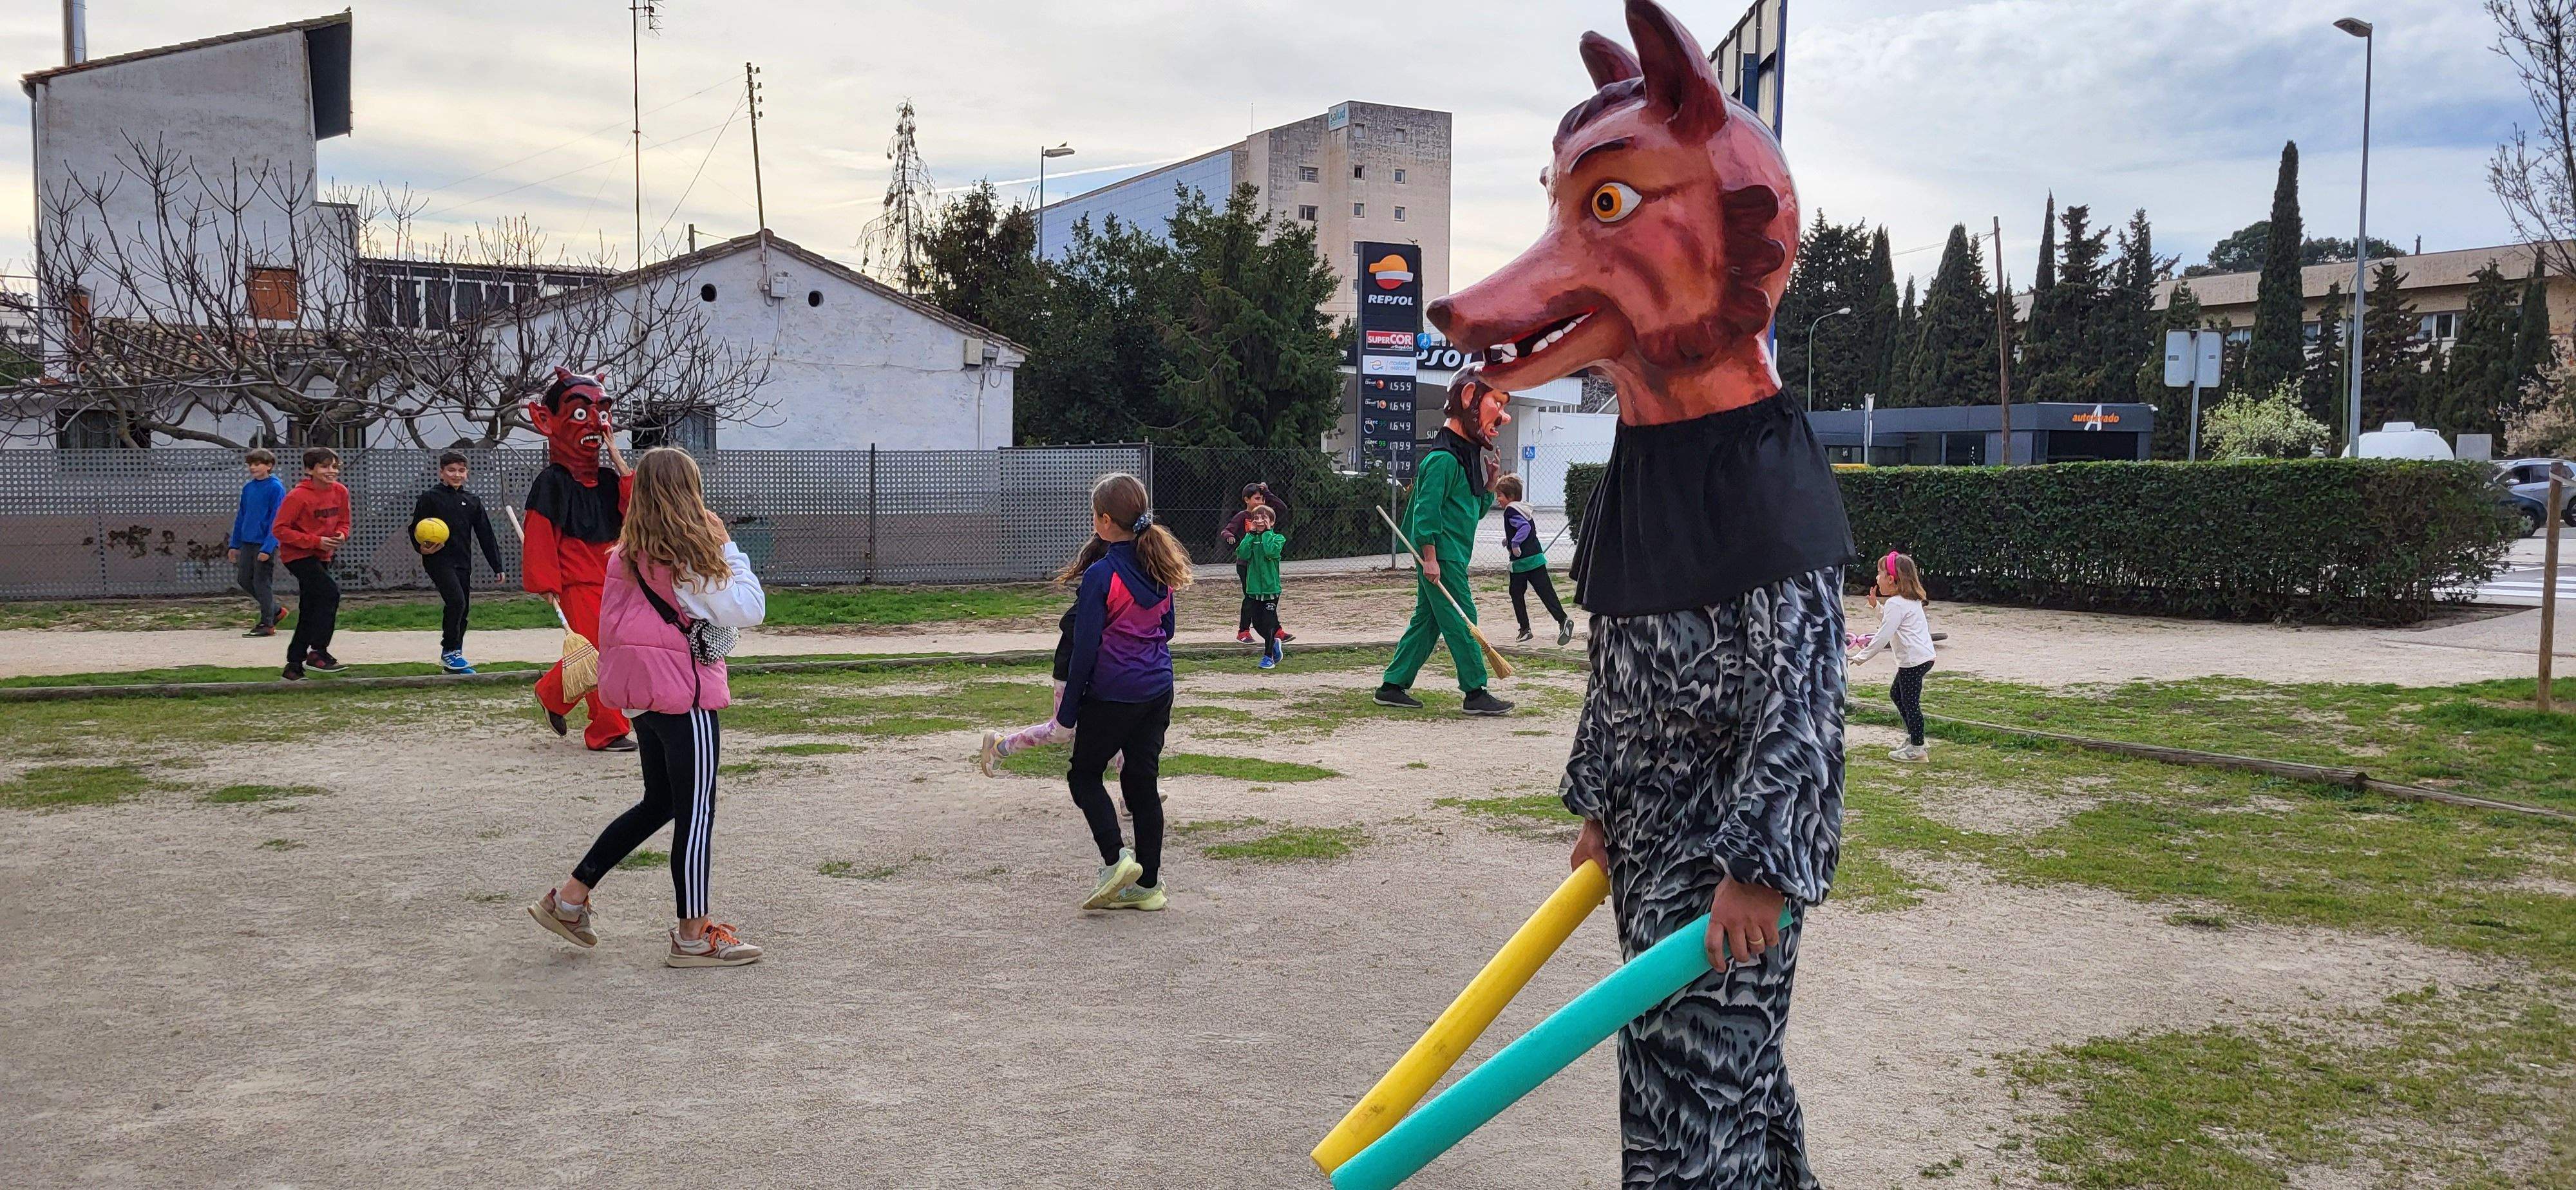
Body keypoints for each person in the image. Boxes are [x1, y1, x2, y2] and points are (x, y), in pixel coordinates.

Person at [528, 447, 769, 968]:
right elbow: (750, 608)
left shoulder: (623, 554)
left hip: (642, 695)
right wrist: (729, 546)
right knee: (696, 810)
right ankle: (693, 934)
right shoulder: (689, 557)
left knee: (660, 802)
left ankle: (569, 899)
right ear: (691, 492)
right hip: (684, 695)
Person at [1057, 472, 1190, 912]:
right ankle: (1149, 886)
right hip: (1157, 689)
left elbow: (1085, 649)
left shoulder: (1101, 576)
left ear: (1103, 520)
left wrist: (1069, 711)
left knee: (1084, 776)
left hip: (1114, 694)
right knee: (1140, 782)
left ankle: (1117, 861)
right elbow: (1167, 630)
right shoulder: (1160, 567)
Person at [1374, 369, 1514, 717]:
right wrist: (1431, 557)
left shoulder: (1462, 459)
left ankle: (1392, 686)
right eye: (1495, 402)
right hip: (1441, 556)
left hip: (1450, 554)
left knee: (1428, 621)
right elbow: (1425, 514)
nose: (1504, 415)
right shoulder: (1441, 459)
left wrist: (1491, 481)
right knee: (1462, 618)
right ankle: (1475, 691)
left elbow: (1471, 511)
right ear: (1469, 398)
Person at [521, 368, 637, 753]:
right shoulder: (551, 483)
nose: (595, 423)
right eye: (581, 413)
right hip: (576, 583)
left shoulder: (608, 480)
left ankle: (553, 693)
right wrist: (546, 584)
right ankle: (608, 729)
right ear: (546, 421)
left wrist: (618, 456)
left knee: (610, 650)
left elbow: (639, 508)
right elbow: (539, 536)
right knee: (601, 654)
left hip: (614, 581)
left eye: (602, 413)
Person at [412, 451, 506, 674]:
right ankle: (450, 651)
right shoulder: (430, 498)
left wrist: (497, 565)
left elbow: (485, 534)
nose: (456, 475)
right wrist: (421, 548)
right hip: (437, 559)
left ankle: (455, 657)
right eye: (451, 470)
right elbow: (415, 528)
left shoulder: (472, 501)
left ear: (467, 473)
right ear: (441, 473)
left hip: (463, 560)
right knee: (456, 601)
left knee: (463, 608)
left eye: (461, 470)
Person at [271, 447, 352, 680]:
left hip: (323, 554)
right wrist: (315, 541)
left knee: (310, 607)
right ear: (310, 470)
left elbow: (344, 522)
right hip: (298, 556)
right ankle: (318, 652)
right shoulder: (297, 497)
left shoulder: (341, 492)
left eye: (335, 466)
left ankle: (294, 665)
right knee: (330, 593)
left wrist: (341, 535)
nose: (331, 471)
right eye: (325, 466)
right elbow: (280, 530)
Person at [1849, 551, 1937, 762]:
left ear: (1891, 579)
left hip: (1913, 662)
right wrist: (1876, 607)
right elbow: (1892, 622)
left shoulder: (1897, 604)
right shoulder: (1907, 601)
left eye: (1879, 574)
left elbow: (1883, 636)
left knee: (1910, 702)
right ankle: (1916, 738)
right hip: (1922, 658)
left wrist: (1860, 657)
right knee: (1898, 695)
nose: (1876, 578)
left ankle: (1918, 748)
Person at [1495, 473, 1574, 647]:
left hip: (1522, 562)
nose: (1497, 499)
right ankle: (1563, 620)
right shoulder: (1522, 508)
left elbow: (1523, 528)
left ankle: (1525, 630)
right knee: (1545, 591)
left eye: (1499, 496)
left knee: (1516, 593)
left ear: (1510, 496)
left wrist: (1514, 543)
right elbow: (1527, 528)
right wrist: (1508, 539)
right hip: (1536, 558)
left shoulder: (1510, 511)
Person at [1218, 482, 1294, 645]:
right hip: (1247, 564)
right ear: (1247, 500)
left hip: (1263, 565)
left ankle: (1276, 630)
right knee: (1250, 597)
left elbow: (1281, 509)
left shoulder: (1266, 517)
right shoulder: (1243, 517)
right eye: (1257, 498)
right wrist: (1229, 536)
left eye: (1263, 499)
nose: (1261, 502)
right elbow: (1227, 530)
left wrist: (1268, 491)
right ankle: (1244, 631)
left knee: (1269, 598)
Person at [227, 448, 288, 638]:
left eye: (257, 464)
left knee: (262, 582)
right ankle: (276, 610)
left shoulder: (276, 488)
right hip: (247, 542)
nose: (253, 468)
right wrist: (234, 544)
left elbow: (277, 519)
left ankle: (267, 623)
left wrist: (268, 547)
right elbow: (242, 516)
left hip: (264, 543)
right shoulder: (249, 488)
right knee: (244, 579)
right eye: (251, 464)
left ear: (269, 466)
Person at [1236, 504, 1287, 669]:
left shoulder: (1278, 539)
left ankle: (1268, 657)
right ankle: (1274, 644)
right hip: (1253, 590)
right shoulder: (1251, 539)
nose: (1259, 521)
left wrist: (1266, 534)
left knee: (1269, 622)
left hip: (1271, 590)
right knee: (1257, 624)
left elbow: (1270, 552)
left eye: (1264, 518)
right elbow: (1242, 554)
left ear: (1272, 522)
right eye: (1256, 518)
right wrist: (1250, 535)